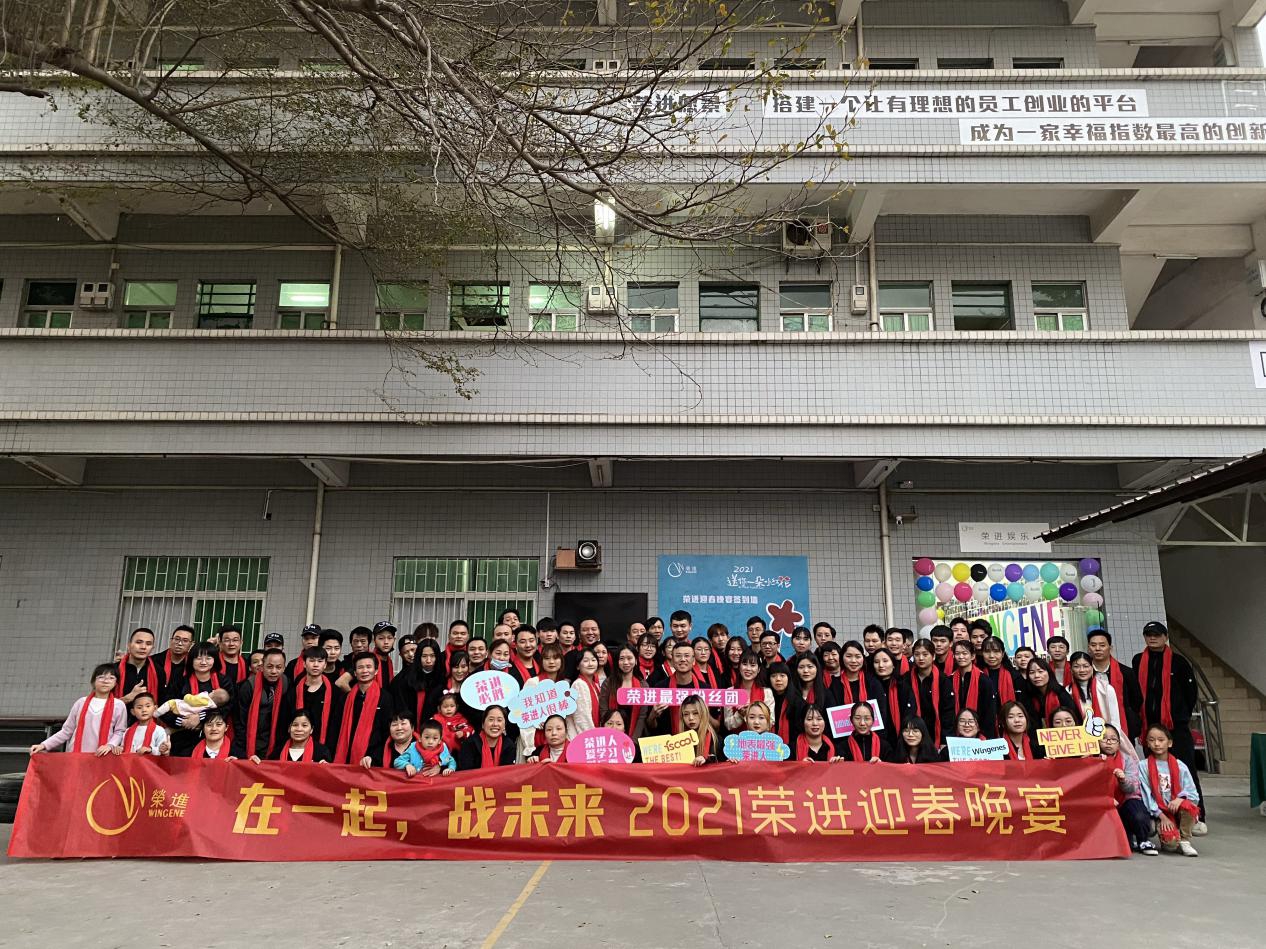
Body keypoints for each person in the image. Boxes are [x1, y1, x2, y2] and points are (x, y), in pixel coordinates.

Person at [1132, 621, 1204, 825]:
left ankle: (1196, 816)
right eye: (1148, 634)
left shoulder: (1179, 662)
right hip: (1149, 726)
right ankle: (1158, 815)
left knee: (1185, 769)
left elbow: (1190, 694)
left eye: (1157, 634)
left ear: (1165, 637)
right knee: (1152, 772)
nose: (1152, 638)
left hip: (1175, 728)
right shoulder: (1138, 660)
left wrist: (1180, 716)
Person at [31, 663, 126, 756]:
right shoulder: (81, 702)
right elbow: (67, 731)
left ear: (116, 683)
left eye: (111, 678)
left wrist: (110, 745)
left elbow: (119, 731)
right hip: (76, 755)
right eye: (101, 677)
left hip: (103, 755)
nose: (106, 681)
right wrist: (43, 745)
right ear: (93, 681)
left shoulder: (119, 705)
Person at [1139, 724, 1202, 856]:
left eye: (1161, 740)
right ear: (1147, 744)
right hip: (1159, 812)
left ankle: (1185, 840)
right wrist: (1162, 817)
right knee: (1170, 846)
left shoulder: (1180, 766)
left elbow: (1193, 794)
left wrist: (1179, 799)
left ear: (1170, 743)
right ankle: (1169, 833)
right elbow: (1146, 795)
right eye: (1152, 740)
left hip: (1177, 808)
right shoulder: (1143, 766)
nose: (1157, 744)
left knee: (1189, 806)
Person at [1099, 723, 1155, 854]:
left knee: (1138, 814)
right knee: (1125, 845)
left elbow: (1132, 788)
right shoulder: (1091, 759)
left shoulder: (1127, 760)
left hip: (1125, 800)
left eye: (1113, 739)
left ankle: (1143, 840)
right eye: (1104, 738)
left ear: (1119, 744)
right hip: (1102, 802)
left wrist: (1123, 780)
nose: (1108, 742)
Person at [334, 652, 394, 766]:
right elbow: (335, 729)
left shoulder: (386, 698)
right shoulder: (345, 699)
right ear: (355, 673)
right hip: (345, 757)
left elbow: (387, 733)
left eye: (368, 667)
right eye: (360, 667)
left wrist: (374, 756)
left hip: (371, 760)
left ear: (376, 671)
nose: (365, 671)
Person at [232, 647, 289, 762]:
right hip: (250, 738)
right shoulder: (248, 686)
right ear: (262, 667)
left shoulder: (286, 683)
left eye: (278, 667)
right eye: (269, 667)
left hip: (274, 740)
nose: (274, 671)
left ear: (284, 668)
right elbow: (240, 720)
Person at [1087, 628, 1142, 740]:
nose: (1097, 648)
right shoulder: (1083, 673)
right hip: (1092, 727)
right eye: (1093, 645)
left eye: (1102, 645)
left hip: (1123, 726)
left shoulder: (1126, 672)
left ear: (1110, 648)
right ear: (1088, 648)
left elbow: (1136, 700)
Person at [283, 646, 342, 748]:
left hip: (324, 748)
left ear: (325, 665)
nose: (315, 665)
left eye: (320, 661)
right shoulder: (293, 692)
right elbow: (285, 723)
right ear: (304, 664)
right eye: (311, 661)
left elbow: (336, 726)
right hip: (296, 747)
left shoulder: (335, 693)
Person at [907, 638, 955, 746]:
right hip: (911, 734)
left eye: (925, 654)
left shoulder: (943, 681)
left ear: (933, 656)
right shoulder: (906, 680)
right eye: (917, 654)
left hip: (936, 735)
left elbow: (948, 714)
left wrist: (944, 741)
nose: (921, 658)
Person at [951, 639, 998, 738]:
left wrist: (984, 735)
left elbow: (989, 713)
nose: (961, 657)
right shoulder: (949, 680)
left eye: (965, 653)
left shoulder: (984, 680)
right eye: (957, 654)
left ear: (972, 656)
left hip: (980, 734)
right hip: (955, 734)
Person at [1068, 650, 1123, 733]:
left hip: (1106, 735)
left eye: (1086, 666)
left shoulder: (1107, 689)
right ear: (1071, 669)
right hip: (1080, 736)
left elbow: (1115, 721)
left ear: (1092, 667)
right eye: (1076, 666)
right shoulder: (1068, 692)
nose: (1082, 670)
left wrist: (1112, 736)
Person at [599, 645, 645, 740]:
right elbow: (604, 712)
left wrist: (633, 741)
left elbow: (642, 716)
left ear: (636, 660)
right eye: (622, 659)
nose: (626, 662)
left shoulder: (643, 685)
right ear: (617, 662)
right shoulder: (608, 683)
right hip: (611, 736)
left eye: (629, 658)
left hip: (635, 736)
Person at [869, 647, 914, 737]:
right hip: (875, 736)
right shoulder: (869, 686)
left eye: (885, 661)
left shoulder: (902, 685)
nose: (881, 665)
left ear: (893, 664)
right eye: (876, 662)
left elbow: (909, 713)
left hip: (900, 736)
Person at [724, 649, 770, 735]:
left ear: (758, 669)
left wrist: (754, 716)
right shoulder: (729, 692)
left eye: (753, 665)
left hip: (761, 741)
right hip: (737, 741)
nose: (748, 669)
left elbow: (771, 721)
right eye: (745, 664)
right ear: (739, 667)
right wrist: (740, 715)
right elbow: (728, 724)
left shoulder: (767, 692)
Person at [115, 627, 160, 714]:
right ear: (129, 645)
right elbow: (102, 705)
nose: (143, 647)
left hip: (148, 722)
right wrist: (128, 698)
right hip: (117, 720)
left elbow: (162, 702)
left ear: (152, 648)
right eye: (139, 642)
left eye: (148, 644)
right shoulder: (114, 670)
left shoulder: (158, 671)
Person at [457, 704, 517, 769]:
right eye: (491, 719)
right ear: (483, 724)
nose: (495, 724)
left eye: (499, 720)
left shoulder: (509, 745)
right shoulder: (470, 744)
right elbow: (465, 772)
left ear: (504, 725)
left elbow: (508, 772)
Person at [1023, 658, 1076, 730]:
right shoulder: (1027, 695)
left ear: (1049, 673)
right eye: (1032, 672)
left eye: (1040, 671)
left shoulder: (1061, 693)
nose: (1036, 676)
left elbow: (1073, 718)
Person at [979, 637, 1023, 716]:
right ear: (982, 653)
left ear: (1003, 654)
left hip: (1009, 720)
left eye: (996, 651)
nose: (991, 656)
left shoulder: (1015, 676)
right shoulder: (977, 675)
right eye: (987, 651)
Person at [568, 647, 602, 737]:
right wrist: (592, 737)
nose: (590, 664)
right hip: (585, 737)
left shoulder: (595, 684)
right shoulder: (579, 684)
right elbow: (583, 719)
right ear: (578, 666)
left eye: (593, 660)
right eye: (586, 661)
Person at [154, 625, 195, 696]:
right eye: (177, 639)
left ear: (191, 644)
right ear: (171, 640)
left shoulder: (193, 663)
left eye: (185, 640)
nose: (179, 643)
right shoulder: (155, 661)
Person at [837, 640, 879, 709]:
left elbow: (881, 709)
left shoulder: (872, 682)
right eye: (849, 656)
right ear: (842, 658)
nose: (853, 660)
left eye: (858, 656)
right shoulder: (835, 684)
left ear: (863, 658)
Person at [680, 696, 719, 766]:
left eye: (695, 713)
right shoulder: (677, 741)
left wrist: (705, 759)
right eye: (686, 714)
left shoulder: (716, 740)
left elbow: (722, 763)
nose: (691, 718)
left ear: (704, 713)